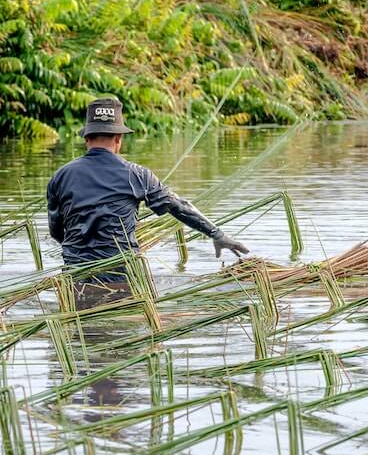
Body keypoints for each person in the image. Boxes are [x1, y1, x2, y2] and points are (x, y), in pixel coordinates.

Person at [47, 97, 250, 304]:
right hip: (124, 282)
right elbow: (179, 207)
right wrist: (217, 234)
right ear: (118, 138)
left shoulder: (60, 177)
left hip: (76, 283)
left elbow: (56, 231)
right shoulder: (137, 175)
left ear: (86, 138)